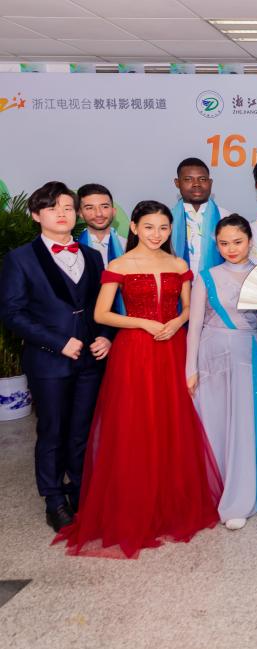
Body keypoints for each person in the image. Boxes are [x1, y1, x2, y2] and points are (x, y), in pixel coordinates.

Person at [54, 200, 222, 558]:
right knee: (136, 425)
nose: (156, 234)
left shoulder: (178, 264)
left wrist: (177, 321)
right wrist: (143, 323)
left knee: (172, 423)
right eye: (148, 227)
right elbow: (102, 314)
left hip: (172, 347)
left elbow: (190, 308)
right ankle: (137, 505)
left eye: (163, 227)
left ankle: (171, 503)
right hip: (135, 352)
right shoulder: (119, 265)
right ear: (133, 227)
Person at [0, 181, 112, 533]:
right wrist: (57, 342)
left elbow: (100, 306)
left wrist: (105, 336)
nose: (61, 214)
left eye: (67, 207)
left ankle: (79, 489)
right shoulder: (20, 258)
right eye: (52, 208)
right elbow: (12, 313)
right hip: (49, 361)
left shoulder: (91, 256)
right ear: (36, 215)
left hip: (90, 359)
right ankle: (53, 499)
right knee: (52, 431)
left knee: (81, 430)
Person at [186, 214, 257, 530]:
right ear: (216, 244)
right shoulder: (206, 276)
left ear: (250, 241)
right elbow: (194, 325)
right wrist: (190, 368)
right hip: (211, 357)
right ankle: (216, 491)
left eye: (237, 242)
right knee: (216, 425)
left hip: (250, 355)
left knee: (247, 426)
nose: (231, 248)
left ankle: (243, 496)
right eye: (224, 243)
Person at [171, 157, 231, 274]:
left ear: (210, 183)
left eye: (202, 179)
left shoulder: (226, 217)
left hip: (217, 283)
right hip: (175, 283)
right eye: (188, 179)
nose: (196, 184)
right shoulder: (167, 219)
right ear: (177, 183)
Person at [77, 183, 127, 315]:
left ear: (113, 211)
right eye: (89, 208)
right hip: (85, 320)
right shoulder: (73, 249)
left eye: (104, 206)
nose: (98, 213)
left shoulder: (129, 247)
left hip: (125, 319)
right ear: (80, 213)